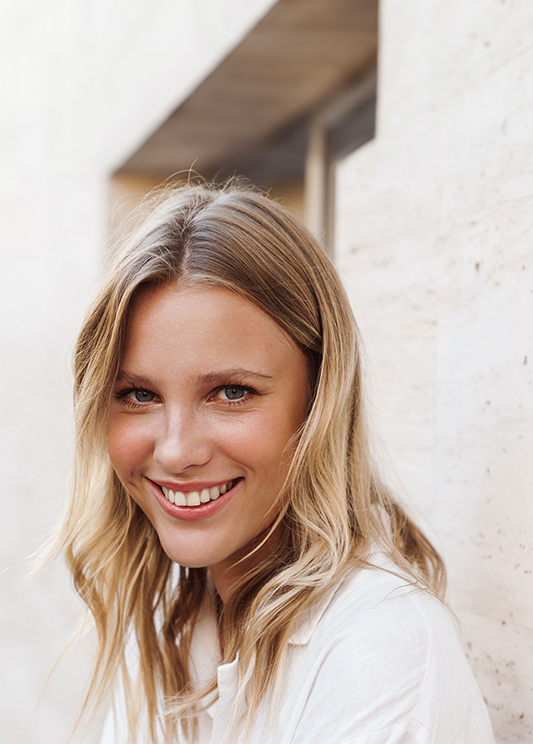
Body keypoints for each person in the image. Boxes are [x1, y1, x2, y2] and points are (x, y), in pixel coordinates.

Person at [56, 181, 495, 743]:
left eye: (231, 392)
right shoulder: (169, 624)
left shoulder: (379, 647)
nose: (175, 451)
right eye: (139, 395)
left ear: (319, 400)